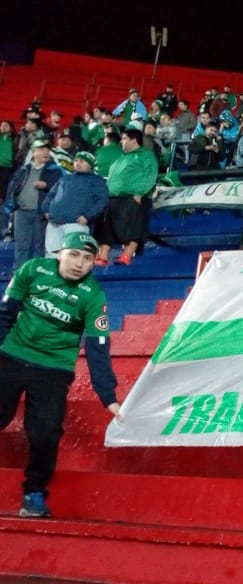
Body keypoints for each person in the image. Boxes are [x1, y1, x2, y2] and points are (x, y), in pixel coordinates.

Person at [0, 232, 122, 518]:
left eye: (88, 259)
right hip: (11, 355)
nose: (80, 264)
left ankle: (34, 493)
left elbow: (98, 345)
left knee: (45, 432)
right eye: (74, 255)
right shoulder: (33, 269)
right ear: (59, 254)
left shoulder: (93, 295)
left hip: (54, 368)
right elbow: (5, 313)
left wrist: (107, 395)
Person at [92, 128, 159, 266]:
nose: (121, 142)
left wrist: (139, 194)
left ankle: (126, 256)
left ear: (134, 140)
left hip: (133, 197)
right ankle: (103, 257)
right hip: (113, 198)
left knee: (132, 228)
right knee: (105, 228)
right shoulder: (121, 158)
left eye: (124, 138)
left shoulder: (146, 155)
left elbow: (150, 174)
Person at [5, 141, 63, 270]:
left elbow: (61, 188)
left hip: (40, 213)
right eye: (41, 150)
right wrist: (10, 204)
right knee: (21, 245)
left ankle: (37, 272)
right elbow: (12, 187)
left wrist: (47, 185)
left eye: (47, 150)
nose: (45, 152)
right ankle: (20, 272)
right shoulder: (23, 169)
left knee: (39, 245)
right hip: (21, 212)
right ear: (33, 152)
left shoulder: (54, 170)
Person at [41, 151, 109, 257]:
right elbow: (51, 195)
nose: (77, 163)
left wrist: (87, 217)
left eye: (82, 161)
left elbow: (102, 201)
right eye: (76, 161)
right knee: (51, 254)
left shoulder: (97, 181)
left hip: (76, 224)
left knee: (73, 255)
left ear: (90, 165)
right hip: (54, 223)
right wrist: (46, 210)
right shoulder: (65, 178)